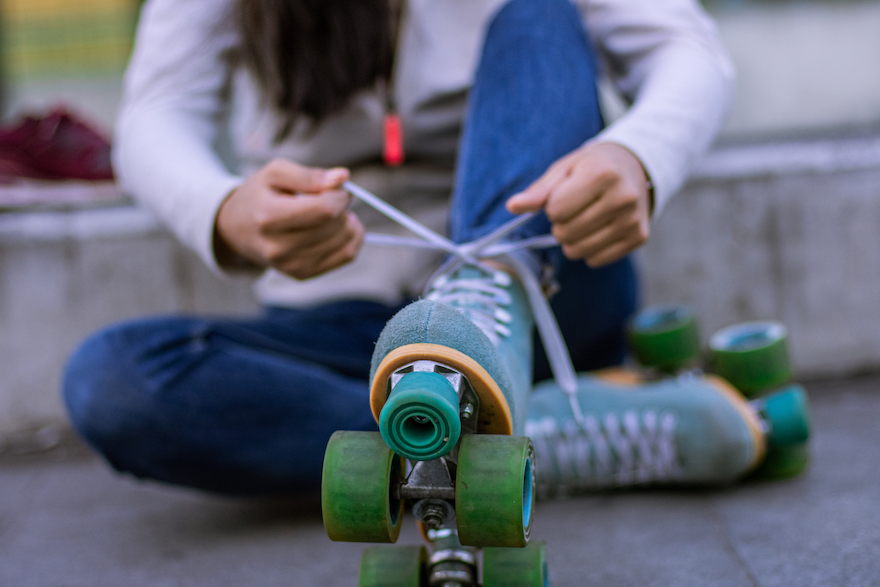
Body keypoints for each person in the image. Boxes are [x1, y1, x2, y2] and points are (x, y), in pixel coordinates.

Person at [63, 0, 743, 496]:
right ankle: (533, 439)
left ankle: (475, 341)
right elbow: (156, 115)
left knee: (537, 18)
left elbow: (686, 51)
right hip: (346, 319)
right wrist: (226, 210)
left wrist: (635, 155)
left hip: (544, 292)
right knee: (112, 380)